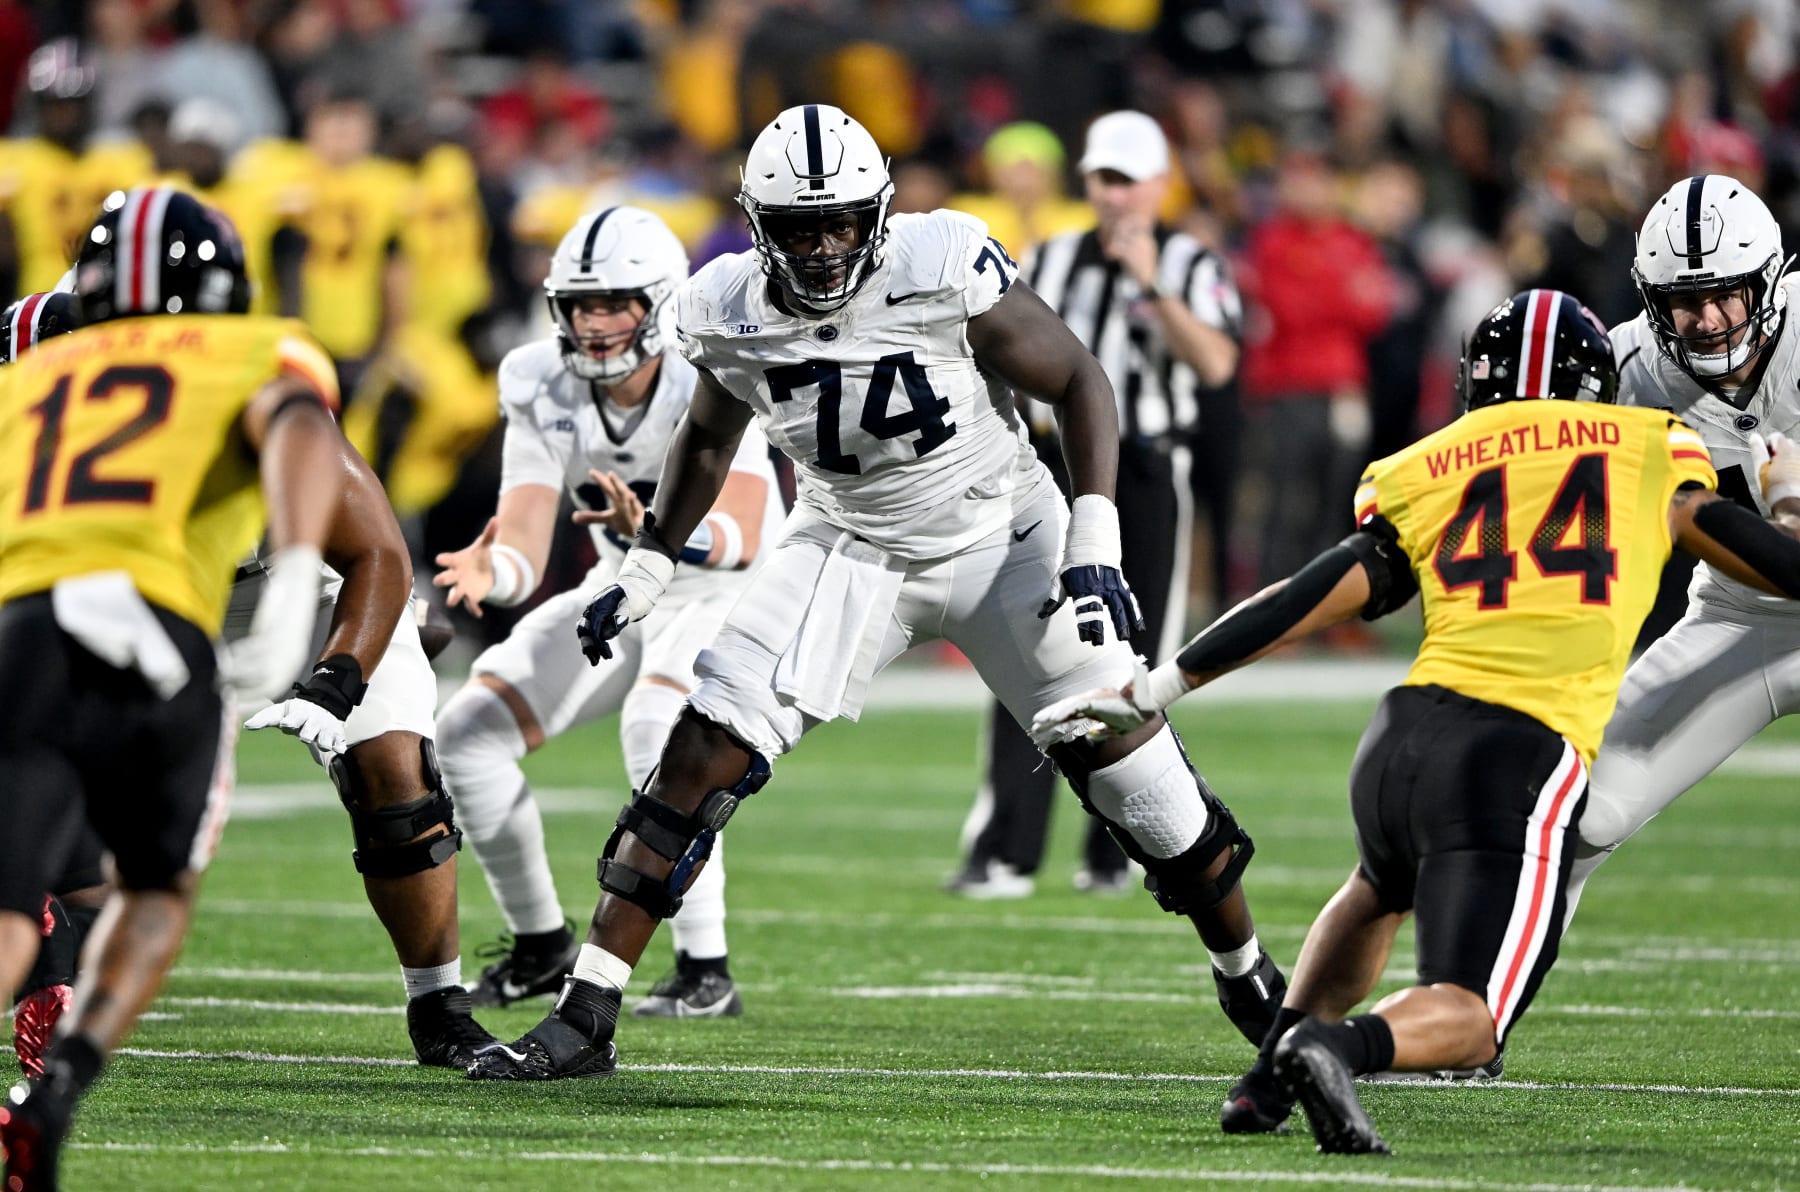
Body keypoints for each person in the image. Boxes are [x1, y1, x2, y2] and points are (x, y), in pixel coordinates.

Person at [467, 104, 1285, 1082]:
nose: (823, 246)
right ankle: (587, 1009)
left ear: (880, 212)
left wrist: (1092, 531)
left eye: (843, 222)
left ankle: (1252, 979)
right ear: (759, 225)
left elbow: (1080, 380)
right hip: (850, 541)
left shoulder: (942, 262)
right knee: (696, 753)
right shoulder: (725, 303)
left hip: (1003, 531)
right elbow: (710, 435)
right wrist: (648, 562)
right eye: (801, 228)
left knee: (1144, 793)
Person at [1033, 288, 1800, 1153]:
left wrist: (1154, 688)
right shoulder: (1651, 448)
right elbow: (1771, 567)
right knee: (1471, 1022)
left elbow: (1310, 594)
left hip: (1399, 738)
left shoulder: (1430, 463)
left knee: (1378, 887)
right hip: (1517, 750)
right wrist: (1783, 507)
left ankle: (1265, 1080)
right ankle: (1332, 1046)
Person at [4, 278, 498, 1076]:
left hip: (296, 585)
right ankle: (54, 967)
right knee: (83, 812)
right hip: (153, 597)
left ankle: (438, 1004)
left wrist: (338, 678)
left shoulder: (236, 390)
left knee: (394, 773)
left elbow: (374, 552)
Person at [0, 187, 340, 1189]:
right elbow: (297, 427)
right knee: (157, 889)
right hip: (153, 629)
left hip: (22, 632)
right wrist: (297, 564)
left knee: (12, 902)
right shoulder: (253, 350)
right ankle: (56, 1094)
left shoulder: (37, 369)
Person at [435, 206, 782, 1017]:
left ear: (658, 304)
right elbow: (522, 532)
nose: (593, 324)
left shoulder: (709, 369)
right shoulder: (537, 381)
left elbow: (742, 535)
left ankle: (706, 968)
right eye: (580, 305)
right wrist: (497, 568)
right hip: (622, 587)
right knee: (467, 736)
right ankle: (540, 944)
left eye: (613, 303)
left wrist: (654, 535)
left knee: (658, 725)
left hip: (719, 593)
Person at [948, 109, 1242, 899]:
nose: (1109, 195)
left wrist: (1151, 286)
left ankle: (1120, 853)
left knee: (1135, 661)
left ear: (1156, 184)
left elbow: (1215, 363)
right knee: (1029, 649)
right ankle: (1006, 849)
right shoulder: (1051, 256)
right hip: (1052, 467)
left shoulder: (1188, 261)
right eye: (1099, 179)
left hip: (1147, 473)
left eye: (1123, 179)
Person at [1564, 176, 1800, 920]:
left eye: (1724, 295)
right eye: (1681, 302)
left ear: (1767, 281)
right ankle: (1478, 1018)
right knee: (1578, 819)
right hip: (1741, 615)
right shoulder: (1625, 373)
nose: (1704, 320)